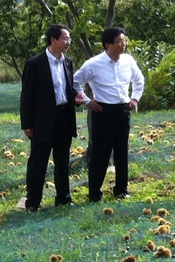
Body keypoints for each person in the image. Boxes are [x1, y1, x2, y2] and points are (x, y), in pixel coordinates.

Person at [73, 27, 145, 202]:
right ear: (108, 45)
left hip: (122, 110)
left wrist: (134, 99)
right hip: (102, 111)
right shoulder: (93, 64)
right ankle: (95, 193)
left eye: (124, 40)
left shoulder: (128, 60)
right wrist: (87, 100)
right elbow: (75, 82)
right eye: (119, 41)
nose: (124, 44)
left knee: (122, 152)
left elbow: (139, 80)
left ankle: (121, 189)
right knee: (100, 153)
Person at [20, 24, 82, 212]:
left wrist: (76, 98)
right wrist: (27, 124)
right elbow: (27, 96)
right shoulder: (35, 63)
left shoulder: (67, 62)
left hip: (64, 117)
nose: (68, 42)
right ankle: (32, 202)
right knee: (38, 162)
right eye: (65, 39)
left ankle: (63, 198)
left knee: (63, 160)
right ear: (53, 40)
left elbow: (67, 89)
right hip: (42, 121)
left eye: (69, 39)